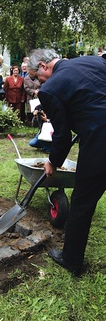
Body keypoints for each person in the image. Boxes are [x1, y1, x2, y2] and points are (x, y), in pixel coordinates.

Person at [28, 48, 106, 276]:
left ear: (43, 66)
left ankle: (71, 259)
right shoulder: (93, 61)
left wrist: (53, 161)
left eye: (36, 76)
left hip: (100, 142)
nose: (38, 81)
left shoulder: (50, 89)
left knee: (82, 202)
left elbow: (61, 134)